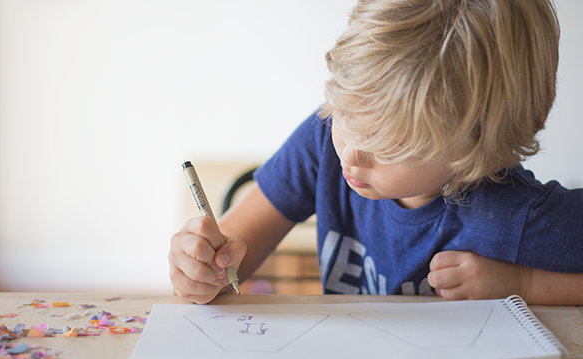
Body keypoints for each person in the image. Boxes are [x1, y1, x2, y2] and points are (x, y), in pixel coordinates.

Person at [169, 0, 583, 305]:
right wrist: (207, 268)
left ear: (477, 146)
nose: (351, 155)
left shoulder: (512, 214)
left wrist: (524, 284)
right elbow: (238, 243)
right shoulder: (322, 140)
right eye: (347, 113)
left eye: (390, 146)